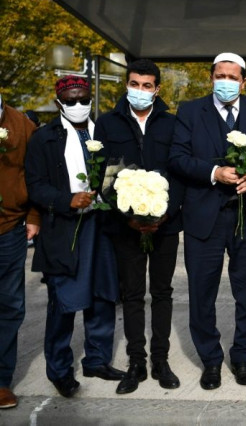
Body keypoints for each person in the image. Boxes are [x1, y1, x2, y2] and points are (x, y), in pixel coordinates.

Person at [169, 52, 246, 390]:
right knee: (202, 292)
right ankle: (211, 360)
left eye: (232, 77)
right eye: (219, 76)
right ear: (210, 78)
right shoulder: (189, 111)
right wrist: (213, 172)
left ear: (244, 82)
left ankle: (241, 356)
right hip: (204, 217)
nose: (225, 82)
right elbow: (178, 158)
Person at [25, 76, 124, 399]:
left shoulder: (104, 132)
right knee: (64, 302)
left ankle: (96, 359)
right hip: (65, 229)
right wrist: (66, 199)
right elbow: (35, 185)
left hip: (103, 227)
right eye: (71, 100)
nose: (78, 105)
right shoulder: (44, 138)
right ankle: (59, 369)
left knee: (102, 295)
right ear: (58, 103)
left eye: (83, 99)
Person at [94, 59, 184, 394]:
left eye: (147, 86)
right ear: (126, 85)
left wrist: (164, 214)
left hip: (166, 224)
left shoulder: (172, 124)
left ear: (157, 89)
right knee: (131, 294)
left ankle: (161, 360)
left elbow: (180, 172)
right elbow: (103, 174)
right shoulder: (107, 123)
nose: (140, 91)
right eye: (135, 84)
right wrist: (129, 216)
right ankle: (137, 362)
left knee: (162, 293)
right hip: (125, 225)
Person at [0, 96, 40, 409]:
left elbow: (35, 172)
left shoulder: (20, 123)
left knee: (9, 305)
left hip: (9, 230)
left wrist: (34, 215)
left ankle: (1, 380)